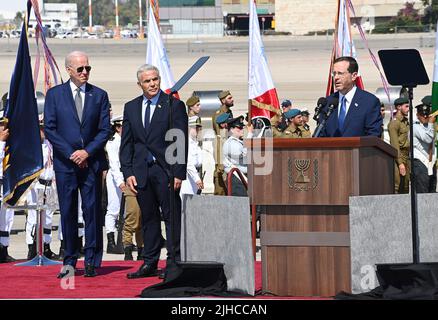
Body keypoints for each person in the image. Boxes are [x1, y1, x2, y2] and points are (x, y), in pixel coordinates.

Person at [44, 51, 111, 278]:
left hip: (91, 164)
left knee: (92, 212)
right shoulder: (55, 95)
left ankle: (92, 260)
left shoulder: (99, 95)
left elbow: (104, 130)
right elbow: (51, 129)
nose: (85, 73)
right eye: (80, 69)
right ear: (69, 70)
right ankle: (70, 260)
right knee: (68, 213)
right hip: (66, 165)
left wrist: (87, 152)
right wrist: (72, 153)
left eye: (88, 69)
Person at [120, 64, 188, 279]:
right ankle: (149, 262)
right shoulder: (131, 107)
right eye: (147, 81)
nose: (152, 84)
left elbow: (179, 139)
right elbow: (127, 144)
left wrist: (178, 172)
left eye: (155, 79)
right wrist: (128, 171)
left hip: (165, 171)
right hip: (141, 172)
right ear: (140, 84)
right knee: (148, 218)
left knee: (171, 217)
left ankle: (174, 262)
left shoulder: (173, 105)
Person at [320, 56, 382, 137]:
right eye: (334, 73)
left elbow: (373, 135)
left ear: (354, 76)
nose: (336, 78)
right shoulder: (328, 102)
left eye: (340, 73)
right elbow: (321, 135)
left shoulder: (369, 102)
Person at [25, 118, 59, 260]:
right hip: (37, 184)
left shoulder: (50, 144)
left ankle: (46, 246)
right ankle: (32, 247)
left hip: (49, 184)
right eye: (41, 129)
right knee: (34, 217)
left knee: (48, 217)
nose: (44, 131)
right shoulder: (32, 146)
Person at [104, 115, 125, 254]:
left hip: (124, 176)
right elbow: (114, 164)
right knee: (113, 209)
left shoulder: (124, 140)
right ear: (117, 127)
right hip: (115, 177)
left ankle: (122, 240)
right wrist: (120, 182)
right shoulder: (112, 142)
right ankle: (111, 241)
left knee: (123, 211)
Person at [223, 116, 253, 197]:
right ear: (232, 130)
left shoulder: (238, 142)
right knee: (240, 205)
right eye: (239, 128)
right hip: (236, 178)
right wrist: (250, 134)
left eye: (242, 127)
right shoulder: (231, 143)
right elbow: (244, 154)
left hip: (241, 177)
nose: (242, 129)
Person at [212, 90, 234, 195]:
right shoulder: (219, 115)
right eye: (229, 98)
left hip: (228, 147)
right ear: (222, 100)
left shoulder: (229, 112)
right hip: (221, 147)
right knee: (220, 178)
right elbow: (220, 136)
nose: (232, 99)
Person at [0, 117, 15, 263]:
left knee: (6, 218)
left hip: (5, 184)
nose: (4, 128)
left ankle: (4, 249)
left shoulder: (7, 142)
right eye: (1, 125)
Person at [413, 103, 437, 193]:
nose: (425, 117)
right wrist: (431, 123)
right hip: (420, 163)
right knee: (422, 193)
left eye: (427, 115)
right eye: (422, 115)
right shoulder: (415, 127)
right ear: (418, 115)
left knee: (432, 192)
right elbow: (428, 139)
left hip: (431, 163)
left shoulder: (429, 126)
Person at [387, 97, 410, 194]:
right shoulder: (394, 123)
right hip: (398, 157)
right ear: (399, 107)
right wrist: (400, 163)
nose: (409, 108)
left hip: (406, 156)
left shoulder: (405, 121)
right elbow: (395, 145)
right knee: (397, 186)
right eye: (406, 106)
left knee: (405, 186)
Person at [180, 116, 203, 196]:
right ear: (189, 128)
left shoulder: (195, 142)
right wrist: (197, 179)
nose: (198, 130)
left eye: (199, 128)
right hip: (187, 178)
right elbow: (188, 163)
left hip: (195, 176)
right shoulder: (187, 143)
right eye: (196, 127)